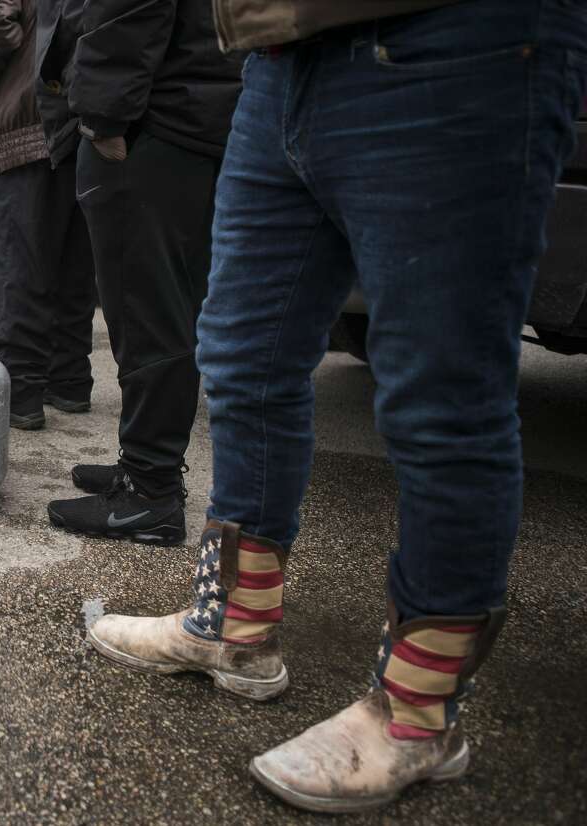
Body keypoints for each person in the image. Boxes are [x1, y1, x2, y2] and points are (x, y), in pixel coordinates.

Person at [86, 0, 587, 813]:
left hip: (455, 37)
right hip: (278, 55)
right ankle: (235, 629)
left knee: (438, 392)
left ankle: (417, 716)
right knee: (243, 359)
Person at [43, 0, 243, 545]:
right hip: (192, 110)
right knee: (163, 304)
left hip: (154, 119)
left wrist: (103, 112)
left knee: (145, 309)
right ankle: (144, 466)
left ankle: (149, 492)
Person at [0, 0, 95, 430]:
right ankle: (69, 379)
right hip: (84, 116)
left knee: (21, 259)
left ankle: (21, 390)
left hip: (27, 117)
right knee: (74, 257)